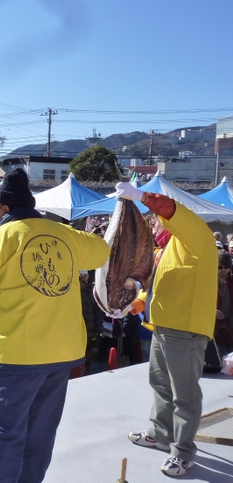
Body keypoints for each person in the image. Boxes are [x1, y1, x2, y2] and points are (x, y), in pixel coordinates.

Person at [0, 168, 109, 483]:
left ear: (3, 208)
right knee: (40, 435)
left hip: (17, 354)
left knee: (5, 434)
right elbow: (101, 251)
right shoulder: (64, 233)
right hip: (61, 353)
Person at [115, 181, 217, 477]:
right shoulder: (169, 246)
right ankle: (160, 434)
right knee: (159, 384)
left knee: (184, 394)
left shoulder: (196, 234)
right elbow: (157, 285)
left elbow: (170, 209)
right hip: (162, 325)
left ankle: (183, 452)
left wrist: (142, 196)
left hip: (185, 330)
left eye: (154, 217)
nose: (152, 220)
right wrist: (135, 305)